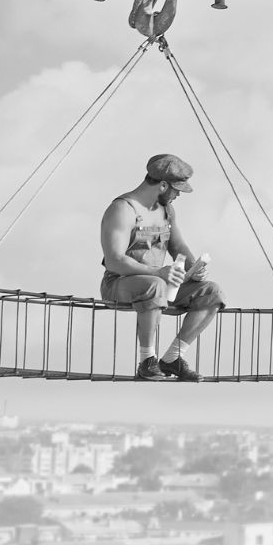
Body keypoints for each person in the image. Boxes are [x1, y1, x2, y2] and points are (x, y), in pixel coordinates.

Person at [99, 153, 225, 381]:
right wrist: (157, 273)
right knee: (155, 285)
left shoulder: (167, 211)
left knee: (212, 292)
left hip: (160, 283)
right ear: (163, 185)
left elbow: (178, 246)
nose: (178, 194)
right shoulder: (123, 209)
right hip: (119, 283)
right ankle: (147, 361)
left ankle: (172, 360)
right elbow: (114, 260)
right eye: (176, 189)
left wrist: (193, 267)